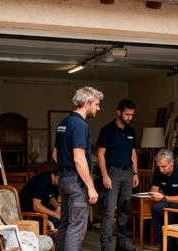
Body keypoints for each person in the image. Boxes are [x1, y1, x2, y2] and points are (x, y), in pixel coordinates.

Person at [55, 86, 103, 251]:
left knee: (65, 224)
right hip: (76, 182)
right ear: (87, 103)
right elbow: (79, 158)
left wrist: (65, 168)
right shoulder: (80, 125)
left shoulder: (63, 122)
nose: (98, 108)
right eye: (96, 104)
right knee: (76, 228)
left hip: (64, 178)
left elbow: (55, 154)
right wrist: (91, 187)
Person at [98, 99, 139, 251]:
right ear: (119, 112)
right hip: (112, 173)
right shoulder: (107, 130)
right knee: (109, 211)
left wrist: (135, 173)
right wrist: (104, 176)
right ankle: (106, 246)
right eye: (127, 114)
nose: (129, 117)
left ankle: (121, 243)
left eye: (132, 115)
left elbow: (133, 153)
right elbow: (101, 154)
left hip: (128, 172)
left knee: (124, 209)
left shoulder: (131, 131)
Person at [149, 149, 178, 247]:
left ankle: (172, 245)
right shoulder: (158, 172)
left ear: (172, 162)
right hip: (170, 205)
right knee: (157, 208)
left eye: (164, 166)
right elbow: (154, 192)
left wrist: (163, 198)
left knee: (159, 207)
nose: (161, 170)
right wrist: (158, 195)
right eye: (159, 166)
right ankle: (166, 245)